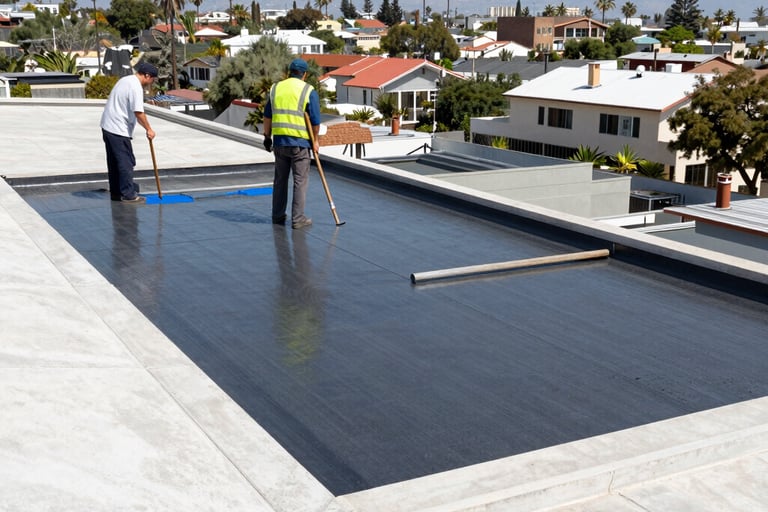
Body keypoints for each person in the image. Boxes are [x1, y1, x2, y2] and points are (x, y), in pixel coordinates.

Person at [263, 58, 321, 229]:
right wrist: (315, 142)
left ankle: (277, 215)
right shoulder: (308, 90)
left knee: (280, 180)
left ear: (289, 72)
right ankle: (298, 219)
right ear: (305, 74)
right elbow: (316, 122)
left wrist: (267, 137)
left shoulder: (276, 88)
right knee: (300, 180)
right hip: (300, 144)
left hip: (280, 142)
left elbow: (268, 116)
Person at [100, 61, 158, 204]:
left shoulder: (125, 80)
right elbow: (139, 112)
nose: (151, 83)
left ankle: (116, 192)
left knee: (114, 161)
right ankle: (128, 194)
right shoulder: (135, 87)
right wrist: (149, 129)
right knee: (126, 162)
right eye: (152, 80)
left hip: (108, 126)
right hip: (118, 129)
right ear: (147, 76)